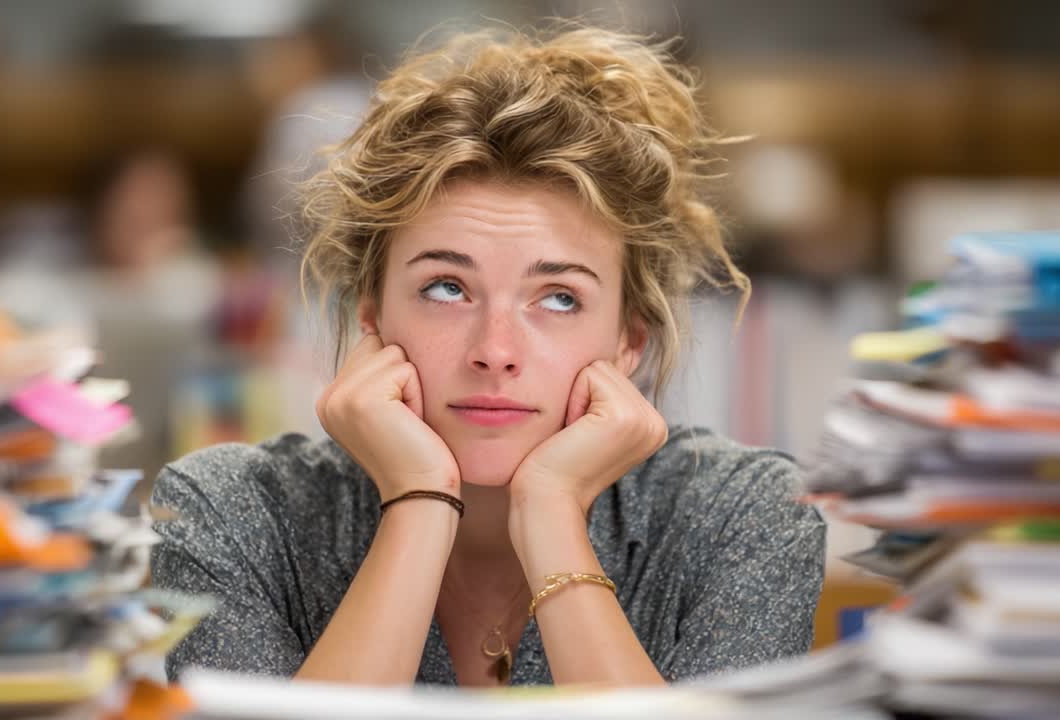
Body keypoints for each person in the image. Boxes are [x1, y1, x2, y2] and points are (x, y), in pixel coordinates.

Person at [150, 25, 826, 688]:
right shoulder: (226, 513)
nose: (495, 352)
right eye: (447, 288)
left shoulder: (745, 518)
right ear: (371, 317)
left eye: (558, 298)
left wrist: (553, 510)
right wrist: (418, 501)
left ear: (630, 342)